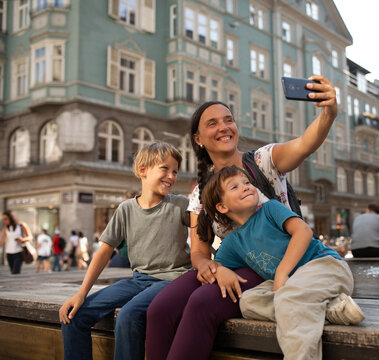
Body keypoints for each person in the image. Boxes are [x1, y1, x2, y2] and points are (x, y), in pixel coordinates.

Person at [146, 75, 339, 360]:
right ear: (198, 139)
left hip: (274, 263)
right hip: (233, 262)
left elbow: (305, 144)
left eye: (228, 119)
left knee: (202, 302)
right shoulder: (200, 192)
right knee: (158, 309)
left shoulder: (263, 161)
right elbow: (198, 252)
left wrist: (329, 112)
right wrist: (212, 268)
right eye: (212, 123)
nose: (224, 127)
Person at [203, 166, 365, 358]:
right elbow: (215, 266)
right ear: (222, 207)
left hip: (325, 266)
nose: (246, 187)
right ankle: (331, 309)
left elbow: (303, 231)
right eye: (235, 187)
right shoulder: (233, 242)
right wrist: (220, 271)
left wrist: (281, 272)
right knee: (248, 302)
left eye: (247, 183)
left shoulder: (270, 209)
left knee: (289, 298)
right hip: (293, 285)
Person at [59, 141, 191, 360]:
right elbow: (103, 252)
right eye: (165, 168)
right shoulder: (126, 209)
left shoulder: (180, 204)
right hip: (138, 281)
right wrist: (81, 293)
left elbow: (207, 229)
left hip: (173, 281)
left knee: (129, 316)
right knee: (74, 315)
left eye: (175, 171)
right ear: (143, 170)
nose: (171, 176)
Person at [0, 210, 33, 274]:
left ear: (11, 217)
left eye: (6, 218)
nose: (5, 221)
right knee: (12, 271)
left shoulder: (21, 225)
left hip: (19, 252)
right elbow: (2, 240)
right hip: (9, 253)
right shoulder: (5, 228)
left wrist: (22, 239)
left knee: (15, 272)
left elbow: (30, 237)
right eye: (3, 219)